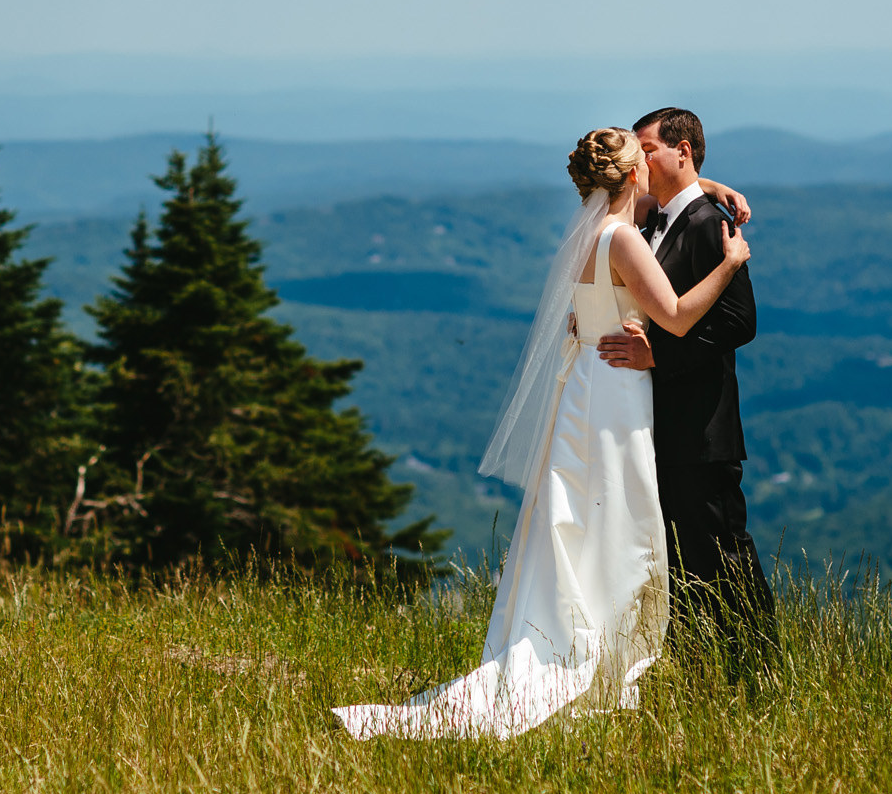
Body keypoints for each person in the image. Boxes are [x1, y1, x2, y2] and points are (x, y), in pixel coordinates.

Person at [332, 129, 751, 740]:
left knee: (580, 513)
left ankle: (568, 629)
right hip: (616, 388)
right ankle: (600, 649)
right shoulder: (624, 239)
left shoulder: (584, 236)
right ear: (634, 176)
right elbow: (679, 317)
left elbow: (658, 200)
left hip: (583, 383)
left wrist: (709, 185)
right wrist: (732, 263)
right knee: (617, 513)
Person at [596, 107, 776, 679]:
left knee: (722, 553)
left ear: (682, 151)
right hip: (658, 424)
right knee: (680, 562)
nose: (640, 161)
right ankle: (701, 671)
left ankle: (757, 671)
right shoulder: (653, 221)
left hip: (703, 427)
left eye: (649, 149)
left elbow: (739, 321)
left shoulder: (705, 223)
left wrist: (660, 355)